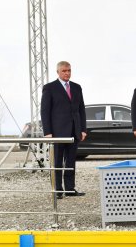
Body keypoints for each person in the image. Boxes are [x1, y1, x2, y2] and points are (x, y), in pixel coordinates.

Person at [41, 61, 87, 199]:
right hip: (57, 133)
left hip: (74, 131)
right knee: (57, 162)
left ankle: (70, 189)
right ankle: (58, 190)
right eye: (64, 71)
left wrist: (83, 129)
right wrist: (47, 132)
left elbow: (81, 110)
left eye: (69, 70)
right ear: (58, 72)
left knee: (71, 161)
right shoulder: (49, 88)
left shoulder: (77, 87)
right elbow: (45, 111)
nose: (67, 73)